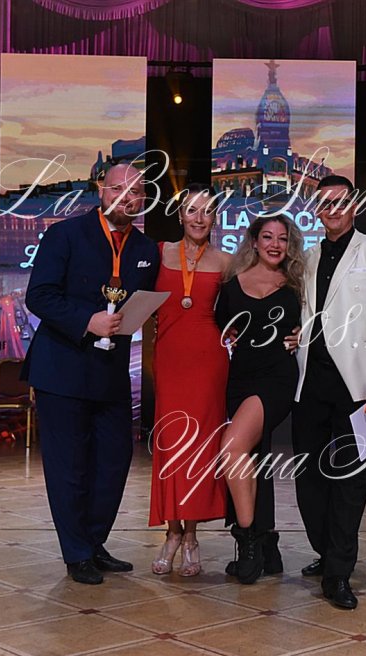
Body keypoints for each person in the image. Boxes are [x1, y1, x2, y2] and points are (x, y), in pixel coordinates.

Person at [23, 163, 160, 585]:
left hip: (110, 373)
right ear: (102, 190)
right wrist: (88, 320)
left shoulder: (146, 248)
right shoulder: (65, 234)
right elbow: (39, 296)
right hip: (62, 370)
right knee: (68, 467)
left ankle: (94, 541)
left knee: (114, 463)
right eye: (118, 188)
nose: (126, 197)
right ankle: (77, 552)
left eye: (135, 191)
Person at [289, 174, 366, 610]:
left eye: (340, 202)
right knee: (309, 479)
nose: (332, 209)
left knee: (349, 481)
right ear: (317, 210)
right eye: (325, 203)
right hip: (310, 383)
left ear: (353, 206)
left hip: (357, 386)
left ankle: (338, 571)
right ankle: (326, 550)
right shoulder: (309, 257)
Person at [215, 214, 304, 584]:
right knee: (253, 456)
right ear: (254, 241)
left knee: (232, 448)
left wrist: (303, 334)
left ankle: (247, 539)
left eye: (282, 238)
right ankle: (266, 544)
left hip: (277, 378)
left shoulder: (298, 284)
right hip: (240, 379)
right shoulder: (231, 284)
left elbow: (320, 319)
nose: (275, 244)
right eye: (267, 237)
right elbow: (220, 326)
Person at [148, 184, 231, 577]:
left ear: (215, 217)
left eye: (207, 211)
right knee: (171, 443)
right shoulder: (158, 253)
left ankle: (192, 536)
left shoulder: (226, 261)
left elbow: (242, 308)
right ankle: (172, 532)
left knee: (199, 445)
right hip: (169, 359)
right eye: (192, 210)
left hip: (208, 362)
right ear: (180, 215)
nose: (199, 218)